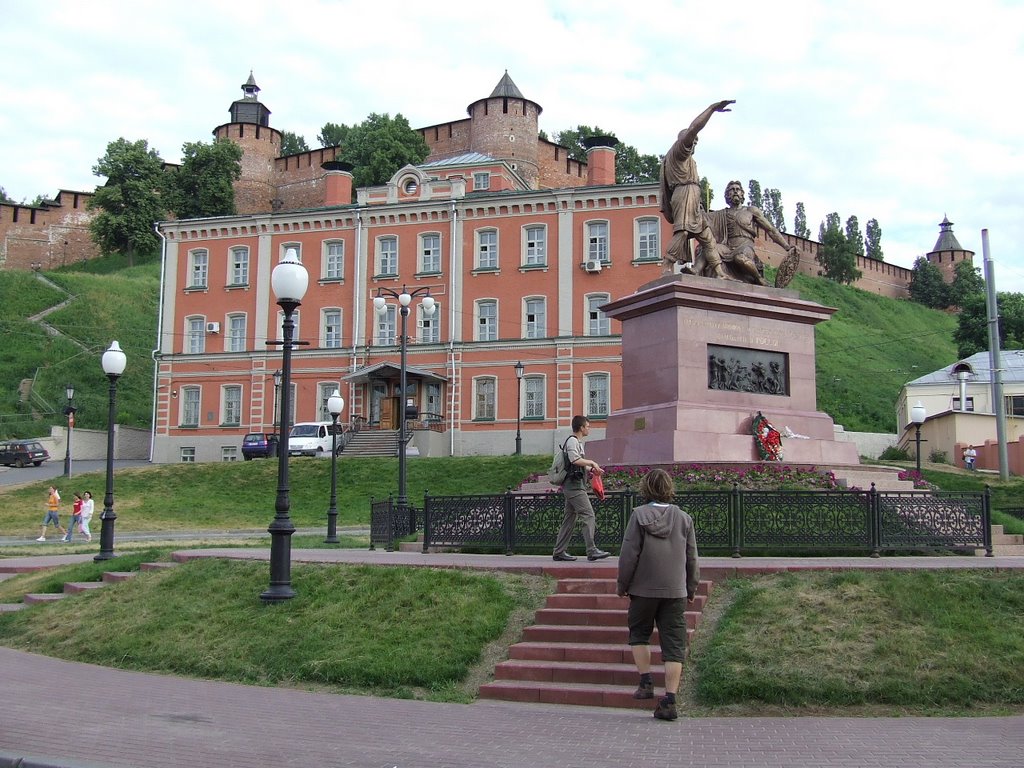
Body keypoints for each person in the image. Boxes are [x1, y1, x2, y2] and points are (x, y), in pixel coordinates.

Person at [616, 468, 700, 721]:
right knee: (674, 644)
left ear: (645, 488)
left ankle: (646, 683)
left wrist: (623, 585)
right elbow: (691, 557)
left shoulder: (638, 516)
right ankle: (670, 700)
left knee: (639, 633)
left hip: (643, 589)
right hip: (675, 591)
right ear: (669, 488)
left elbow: (629, 555)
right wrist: (691, 587)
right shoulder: (684, 519)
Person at [659, 100, 735, 277]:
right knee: (683, 231)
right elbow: (694, 128)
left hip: (692, 197)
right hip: (684, 194)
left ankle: (719, 271)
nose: (694, 144)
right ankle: (667, 265)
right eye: (693, 141)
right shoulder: (679, 151)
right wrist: (711, 110)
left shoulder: (688, 160)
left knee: (707, 237)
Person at [699, 180, 801, 288]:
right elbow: (704, 220)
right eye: (731, 190)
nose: (735, 192)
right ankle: (695, 271)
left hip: (745, 246)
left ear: (742, 193)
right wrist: (698, 209)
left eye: (737, 189)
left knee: (740, 258)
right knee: (709, 248)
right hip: (727, 247)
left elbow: (770, 230)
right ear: (727, 195)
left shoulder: (751, 211)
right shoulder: (722, 214)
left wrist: (786, 246)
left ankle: (759, 278)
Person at [552, 415, 610, 562]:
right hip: (574, 487)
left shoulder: (577, 442)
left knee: (569, 519)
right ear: (581, 427)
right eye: (587, 426)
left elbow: (579, 464)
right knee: (588, 515)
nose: (589, 429)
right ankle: (591, 550)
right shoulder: (572, 441)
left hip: (574, 486)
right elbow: (574, 460)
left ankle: (559, 551)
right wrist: (592, 462)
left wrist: (592, 469)